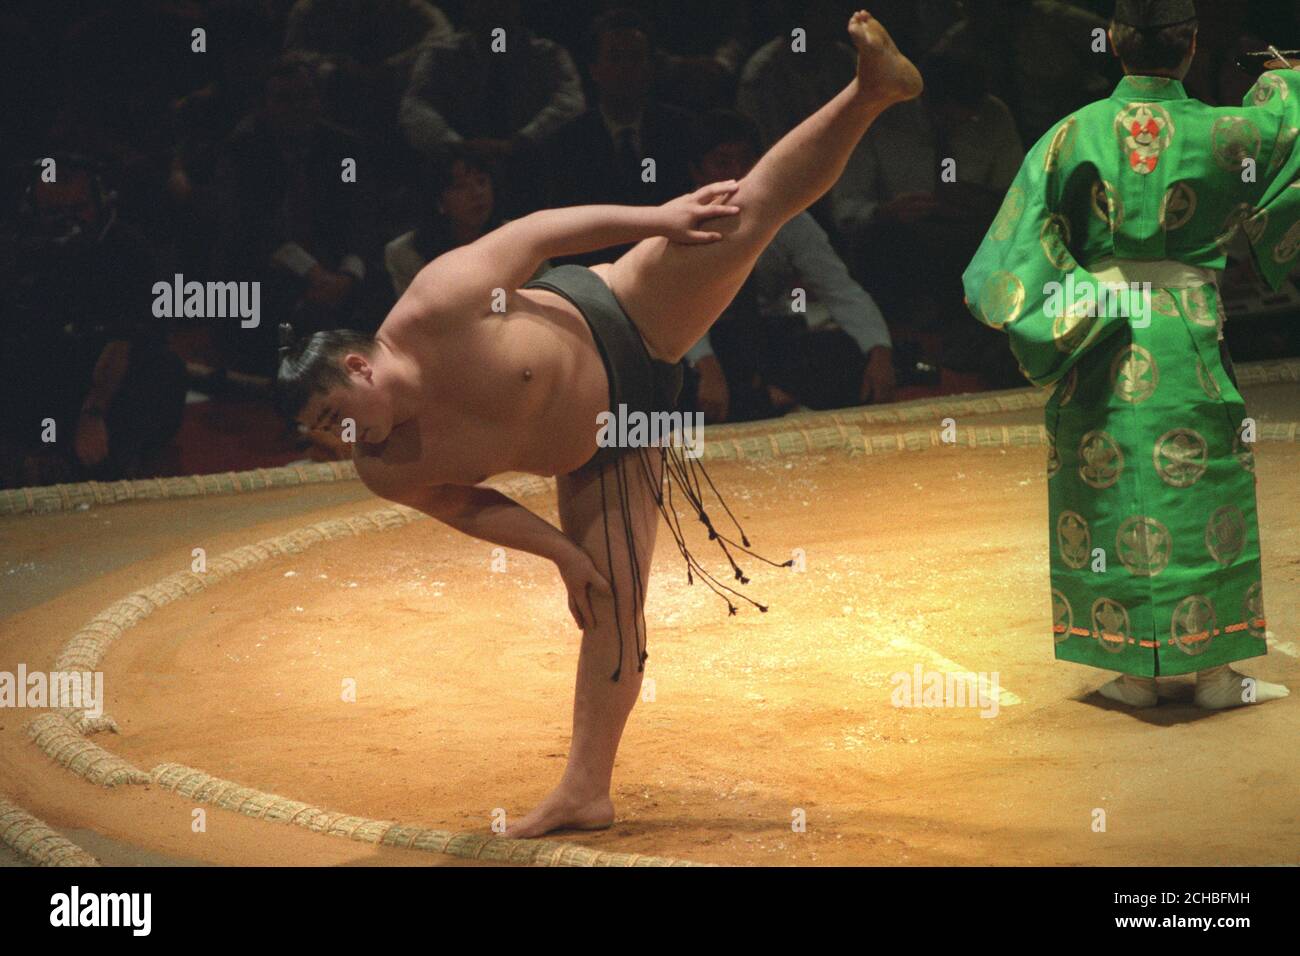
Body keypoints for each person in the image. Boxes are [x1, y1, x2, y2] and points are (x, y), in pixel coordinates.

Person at [277, 10, 921, 838]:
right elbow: (464, 505)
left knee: (742, 214)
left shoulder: (437, 302)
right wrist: (560, 552)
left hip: (628, 312)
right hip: (613, 441)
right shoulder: (384, 466)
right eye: (322, 437)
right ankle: (586, 790)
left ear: (358, 366)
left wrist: (660, 219)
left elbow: (542, 232)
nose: (341, 440)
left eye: (335, 416)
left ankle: (871, 92)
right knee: (612, 597)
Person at [962, 0, 1297, 710]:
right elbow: (1289, 126)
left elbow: (1011, 251)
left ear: (1112, 43)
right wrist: (1280, 78)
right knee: (1198, 481)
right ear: (1192, 46)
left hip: (1100, 335)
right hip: (1188, 335)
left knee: (1108, 482)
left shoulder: (1068, 135)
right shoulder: (1227, 131)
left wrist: (1079, 301)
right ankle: (1214, 675)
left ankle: (1136, 672)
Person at [680, 110, 895, 422]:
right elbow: (679, 309)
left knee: (846, 353)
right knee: (672, 383)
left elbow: (839, 288)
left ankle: (767, 398)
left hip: (772, 338)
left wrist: (880, 351)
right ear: (697, 172)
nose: (738, 173)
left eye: (746, 161)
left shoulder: (787, 217)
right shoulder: (681, 222)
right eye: (722, 162)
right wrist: (707, 366)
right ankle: (770, 398)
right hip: (707, 340)